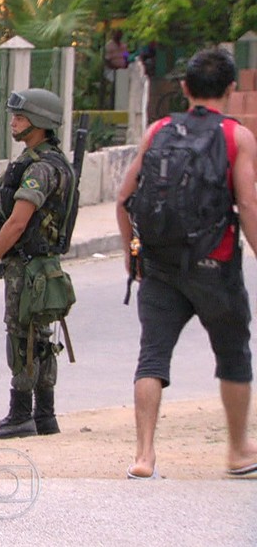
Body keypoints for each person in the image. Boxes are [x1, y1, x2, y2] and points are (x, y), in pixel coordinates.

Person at [115, 48, 257, 480]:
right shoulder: (237, 137)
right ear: (231, 90)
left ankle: (144, 456)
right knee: (233, 354)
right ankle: (236, 451)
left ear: (184, 89)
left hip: (158, 266)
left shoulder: (158, 130)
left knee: (152, 356)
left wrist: (131, 257)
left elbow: (124, 199)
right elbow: (248, 203)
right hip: (215, 265)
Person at [0, 88, 75, 439]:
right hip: (44, 267)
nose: (13, 122)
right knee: (41, 338)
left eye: (20, 117)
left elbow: (18, 222)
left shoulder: (40, 169)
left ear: (40, 123)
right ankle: (45, 415)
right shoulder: (46, 161)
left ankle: (19, 415)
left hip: (27, 268)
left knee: (22, 336)